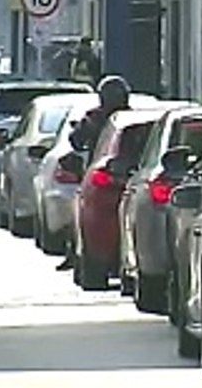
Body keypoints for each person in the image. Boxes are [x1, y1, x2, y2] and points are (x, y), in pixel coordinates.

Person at [57, 75, 130, 270]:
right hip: (116, 177)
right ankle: (74, 252)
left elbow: (76, 139)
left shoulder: (99, 118)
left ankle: (76, 252)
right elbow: (76, 140)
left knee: (83, 212)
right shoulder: (128, 121)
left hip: (103, 177)